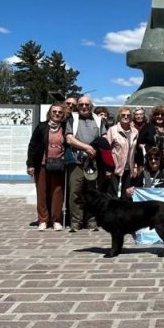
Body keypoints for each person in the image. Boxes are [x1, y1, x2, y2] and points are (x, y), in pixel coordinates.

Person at [65, 95, 108, 231]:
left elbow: (104, 138)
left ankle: (92, 220)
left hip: (93, 163)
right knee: (75, 192)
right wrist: (86, 147)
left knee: (93, 192)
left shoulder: (98, 120)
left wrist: (94, 149)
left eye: (87, 105)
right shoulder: (72, 118)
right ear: (78, 106)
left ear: (91, 106)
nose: (84, 107)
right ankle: (76, 221)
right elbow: (69, 139)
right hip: (76, 161)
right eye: (81, 104)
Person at [27, 103, 68, 231]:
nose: (57, 114)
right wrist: (30, 164)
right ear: (50, 113)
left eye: (60, 112)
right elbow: (32, 145)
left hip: (58, 165)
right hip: (42, 165)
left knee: (57, 193)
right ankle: (43, 220)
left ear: (63, 115)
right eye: (54, 111)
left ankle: (56, 220)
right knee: (42, 193)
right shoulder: (42, 127)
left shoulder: (66, 127)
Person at [104, 106, 142, 200]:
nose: (126, 117)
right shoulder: (112, 130)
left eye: (128, 115)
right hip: (115, 168)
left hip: (130, 169)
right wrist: (108, 168)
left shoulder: (135, 132)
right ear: (119, 117)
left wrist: (136, 166)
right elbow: (106, 150)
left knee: (127, 195)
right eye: (123, 115)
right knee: (114, 195)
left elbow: (136, 151)